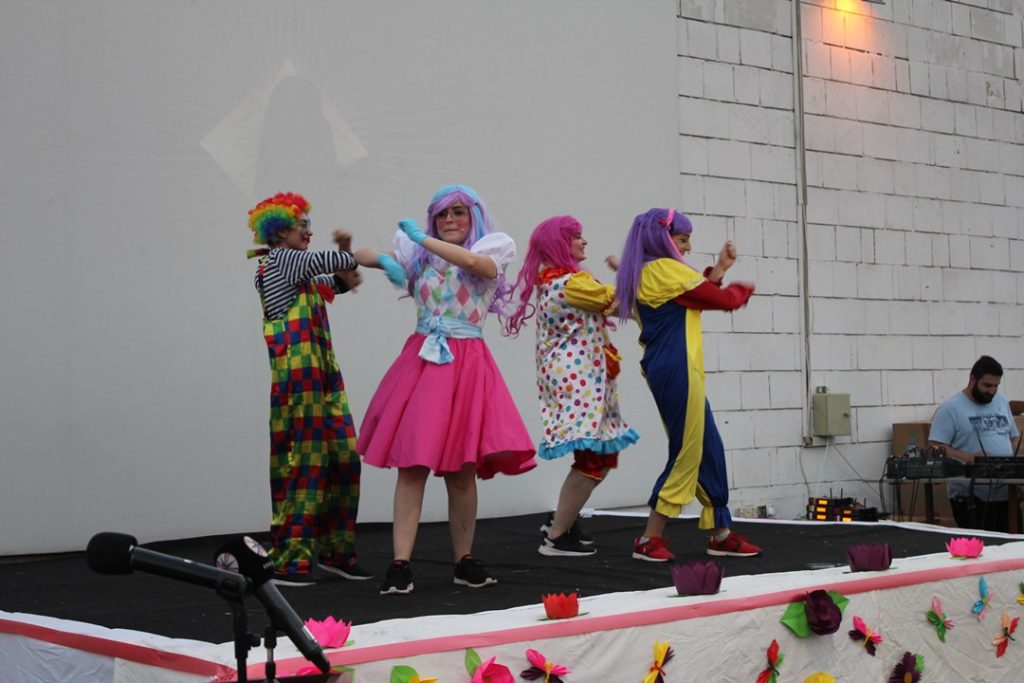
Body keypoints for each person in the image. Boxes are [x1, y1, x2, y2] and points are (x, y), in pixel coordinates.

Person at [357, 184, 536, 595]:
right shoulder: (420, 255)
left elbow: (474, 263)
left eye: (458, 212)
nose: (450, 220)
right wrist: (380, 259)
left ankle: (464, 560)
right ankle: (400, 563)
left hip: (466, 365)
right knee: (412, 465)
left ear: (474, 217)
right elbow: (366, 255)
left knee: (461, 471)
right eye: (442, 214)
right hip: (423, 364)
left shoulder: (492, 249)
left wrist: (422, 240)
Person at [247, 191, 404, 587]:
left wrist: (348, 262)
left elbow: (341, 279)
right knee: (304, 465)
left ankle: (337, 552)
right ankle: (291, 559)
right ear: (279, 231)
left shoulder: (298, 271)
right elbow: (333, 264)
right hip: (298, 387)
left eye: (309, 226)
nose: (308, 232)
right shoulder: (280, 261)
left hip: (325, 382)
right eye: (302, 226)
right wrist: (360, 254)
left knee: (345, 461)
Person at [615, 208, 761, 561]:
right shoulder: (666, 271)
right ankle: (649, 538)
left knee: (708, 446)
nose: (689, 247)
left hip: (672, 367)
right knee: (688, 450)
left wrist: (720, 270)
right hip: (677, 367)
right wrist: (743, 289)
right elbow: (721, 300)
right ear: (662, 238)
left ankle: (721, 532)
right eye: (683, 239)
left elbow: (694, 294)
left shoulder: (649, 271)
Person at [505, 215, 639, 557]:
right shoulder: (572, 283)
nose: (584, 241)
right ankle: (556, 537)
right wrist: (632, 272)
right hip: (580, 384)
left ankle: (561, 520)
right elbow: (620, 300)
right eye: (576, 237)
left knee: (602, 456)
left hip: (585, 381)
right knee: (593, 458)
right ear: (558, 244)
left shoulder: (558, 280)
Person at [929, 355, 1021, 532]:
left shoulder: (1001, 401)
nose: (992, 391)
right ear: (972, 380)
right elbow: (935, 446)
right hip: (971, 499)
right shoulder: (950, 408)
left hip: (1006, 494)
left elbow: (1014, 437)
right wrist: (969, 458)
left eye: (996, 386)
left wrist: (1015, 469)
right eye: (987, 385)